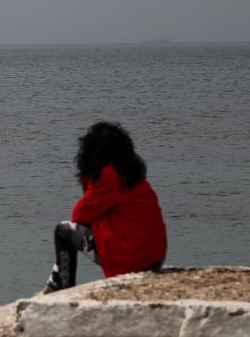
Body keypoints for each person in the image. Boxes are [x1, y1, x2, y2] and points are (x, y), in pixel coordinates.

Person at [40, 122, 167, 295]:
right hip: (154, 258)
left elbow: (79, 215)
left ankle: (62, 287)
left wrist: (88, 178)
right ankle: (54, 283)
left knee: (63, 231)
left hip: (132, 260)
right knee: (85, 230)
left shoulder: (109, 175)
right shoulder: (133, 175)